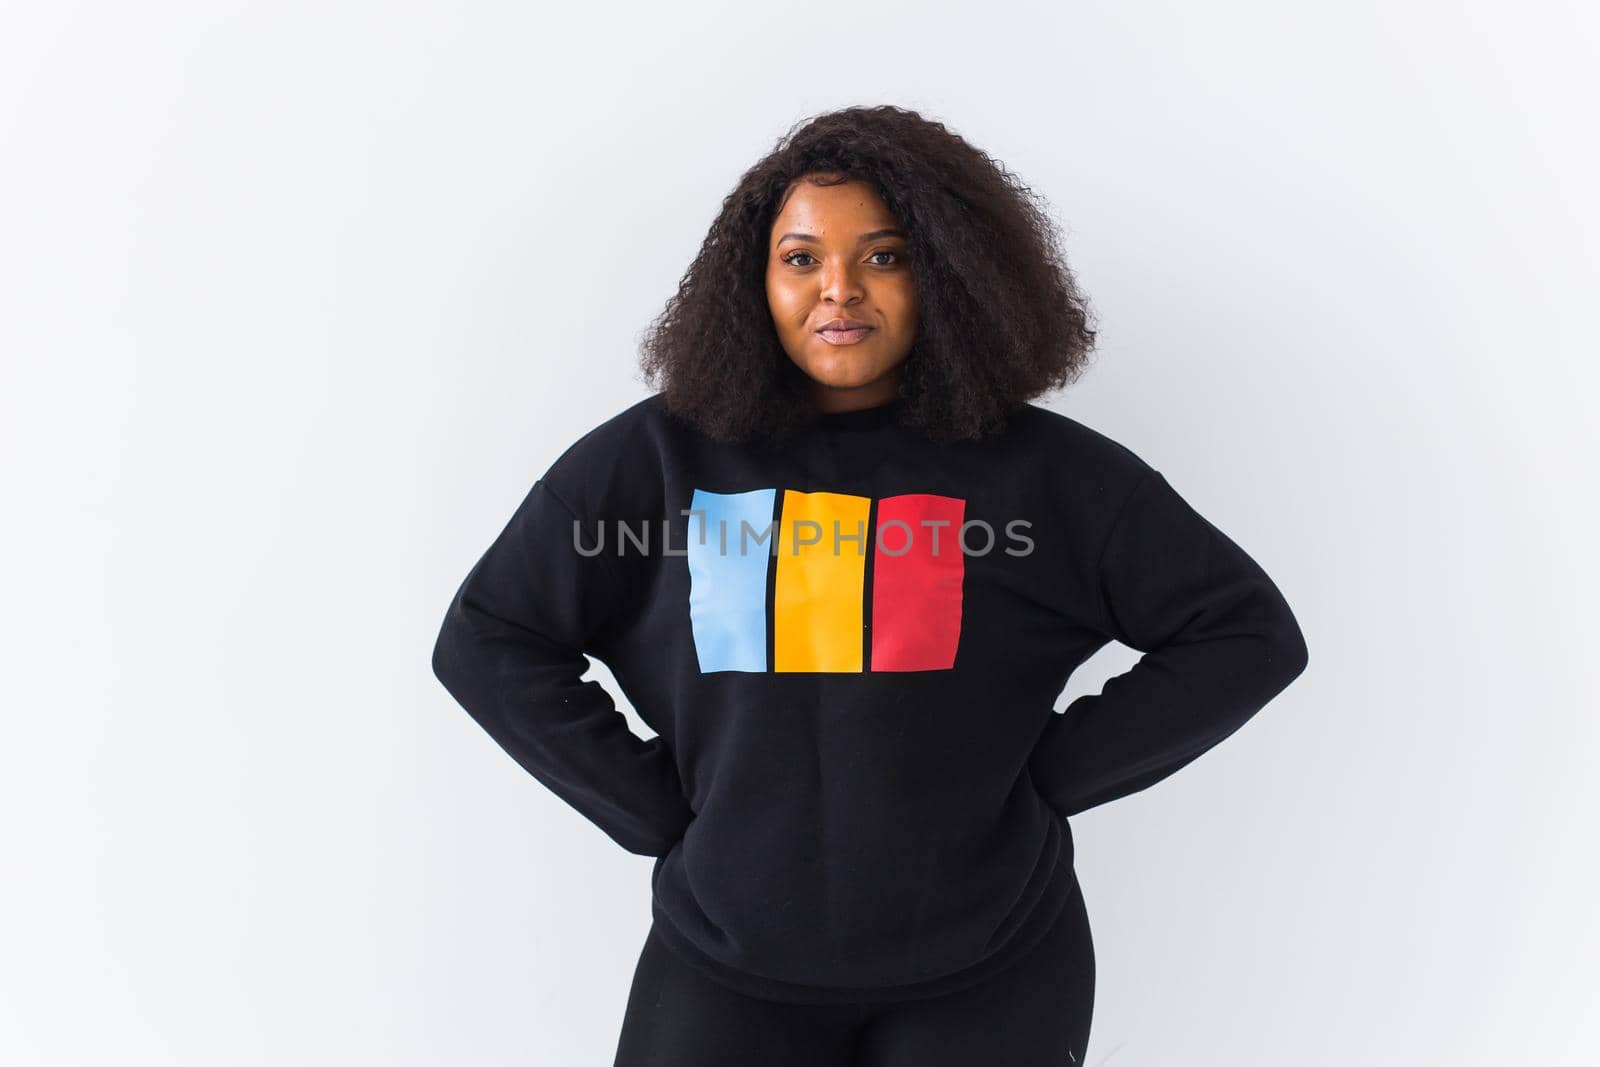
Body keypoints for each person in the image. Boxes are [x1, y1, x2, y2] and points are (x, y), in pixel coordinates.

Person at [431, 104, 1310, 1066]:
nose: (839, 290)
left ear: (949, 275)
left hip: (993, 966)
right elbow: (490, 635)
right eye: (801, 259)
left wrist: (1048, 777)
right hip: (723, 960)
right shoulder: (655, 461)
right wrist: (648, 807)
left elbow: (1242, 632)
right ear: (753, 281)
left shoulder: (1047, 476)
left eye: (885, 257)